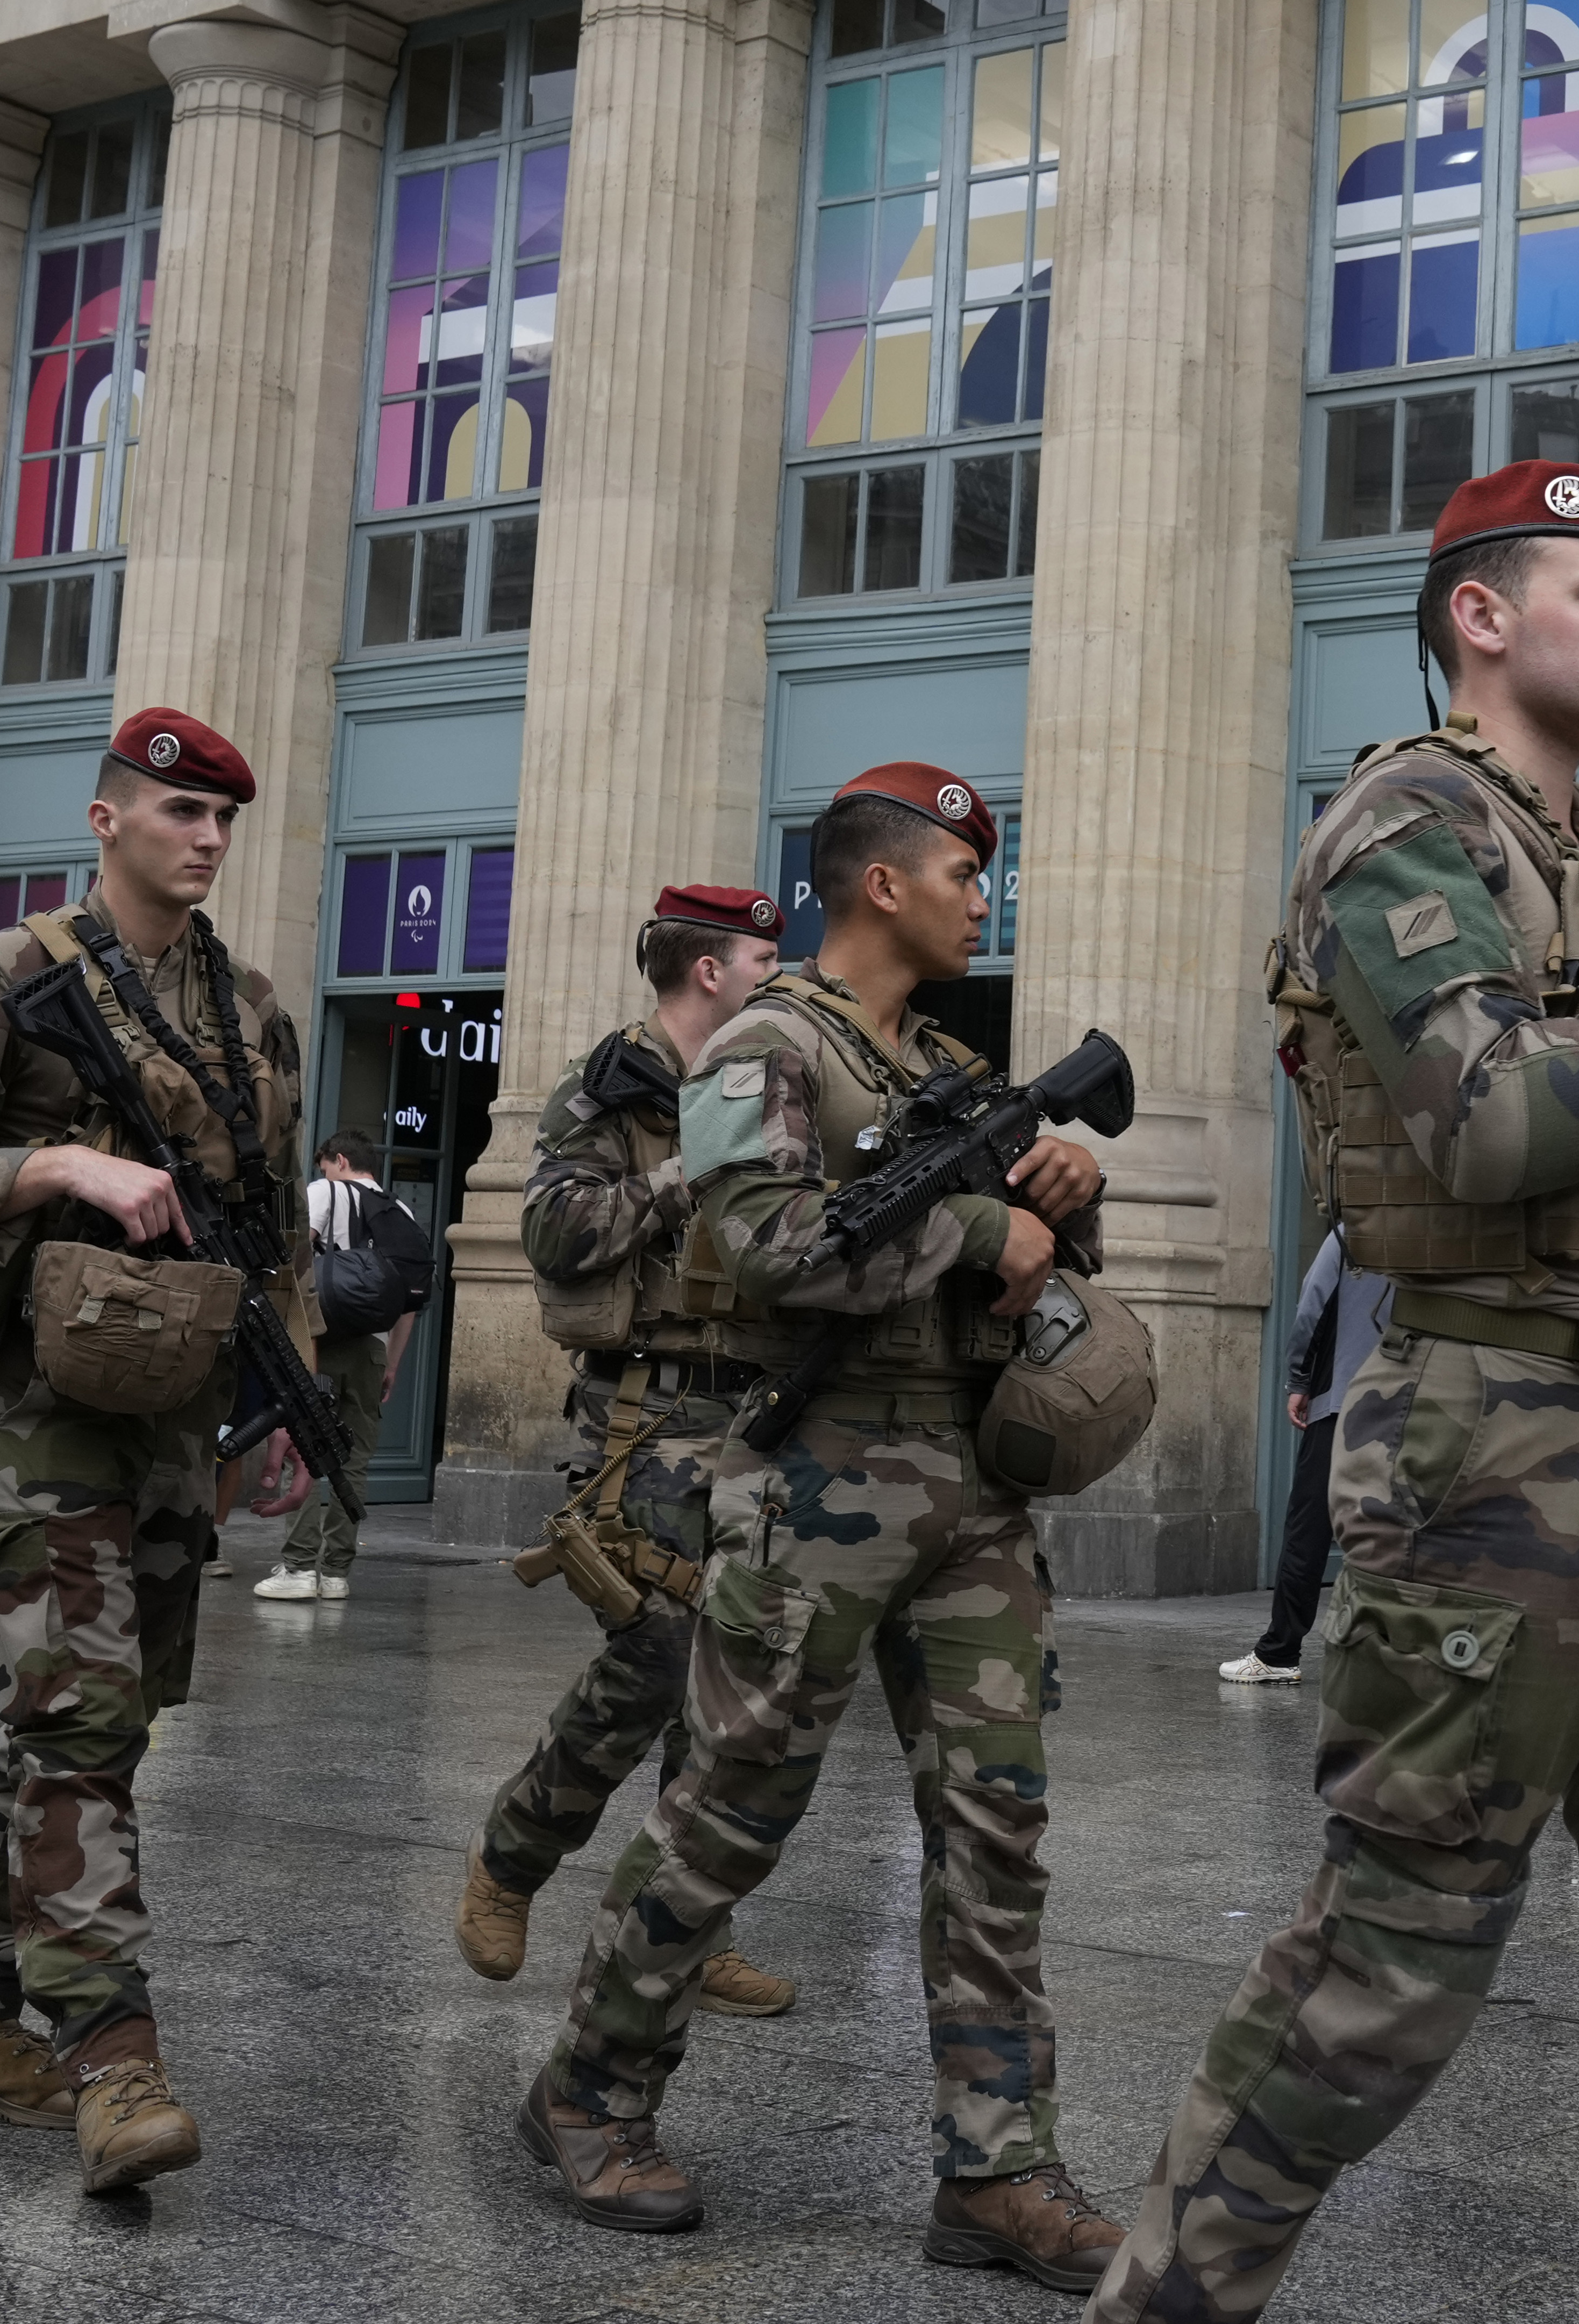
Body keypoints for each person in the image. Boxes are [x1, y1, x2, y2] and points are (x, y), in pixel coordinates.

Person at [1088, 459, 1579, 2324]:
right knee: (1392, 1966)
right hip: (1499, 1454)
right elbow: (1492, 1115)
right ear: (1482, 616)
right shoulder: (1404, 831)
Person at [519, 773, 1120, 2280]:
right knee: (731, 1808)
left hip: (971, 1488)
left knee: (997, 1828)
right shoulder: (767, 1044)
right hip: (819, 1482)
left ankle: (998, 2168)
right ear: (880, 888)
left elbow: (1033, 1263)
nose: (986, 893)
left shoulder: (945, 1065)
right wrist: (984, 1223)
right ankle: (590, 2092)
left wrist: (1063, 1191)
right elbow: (759, 1240)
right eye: (963, 870)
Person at [0, 705, 311, 2196]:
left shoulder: (251, 1009)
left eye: (224, 821)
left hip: (184, 1406)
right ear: (108, 818)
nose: (210, 839)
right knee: (78, 1719)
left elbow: (275, 1229)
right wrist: (58, 1163)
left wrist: (280, 1408)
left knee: (91, 1720)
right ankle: (114, 2060)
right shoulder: (8, 978)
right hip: (46, 1405)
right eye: (182, 815)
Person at [459, 878, 802, 2025]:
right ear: (710, 970)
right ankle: (512, 1858)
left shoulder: (776, 1081)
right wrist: (682, 1167)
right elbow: (553, 1232)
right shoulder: (606, 1088)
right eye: (763, 959)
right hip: (644, 1419)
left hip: (760, 1417)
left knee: (730, 1686)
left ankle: (685, 1929)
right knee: (653, 1662)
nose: (778, 976)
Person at [254, 1132, 423, 1602]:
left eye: (325, 1166)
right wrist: (391, 1363)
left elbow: (293, 1264)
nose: (323, 1174)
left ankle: (299, 1567)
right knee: (356, 1461)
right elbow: (408, 1305)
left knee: (304, 1450)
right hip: (372, 1349)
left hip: (320, 1344)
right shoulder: (401, 1214)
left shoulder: (324, 1192)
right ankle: (336, 1574)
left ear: (340, 1160)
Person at [1221, 1225, 1390, 1685]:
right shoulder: (1456, 1227)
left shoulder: (1355, 1226)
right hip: (1426, 1402)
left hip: (1347, 1397)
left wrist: (1300, 1381)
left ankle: (1279, 1652)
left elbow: (1313, 1305)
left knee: (1309, 1527)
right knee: (1396, 1528)